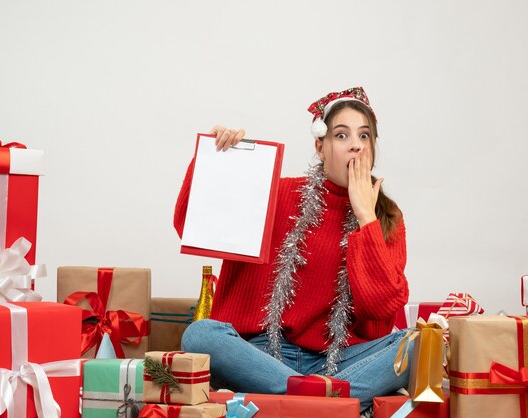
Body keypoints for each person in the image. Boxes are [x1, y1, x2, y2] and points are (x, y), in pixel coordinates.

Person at [174, 86, 411, 413]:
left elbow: (381, 308)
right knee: (200, 336)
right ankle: (324, 404)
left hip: (341, 361)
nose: (356, 144)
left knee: (420, 344)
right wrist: (217, 160)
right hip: (261, 356)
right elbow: (191, 225)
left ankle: (301, 402)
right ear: (320, 145)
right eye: (341, 136)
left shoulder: (386, 218)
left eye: (365, 136)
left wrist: (365, 217)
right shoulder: (277, 193)